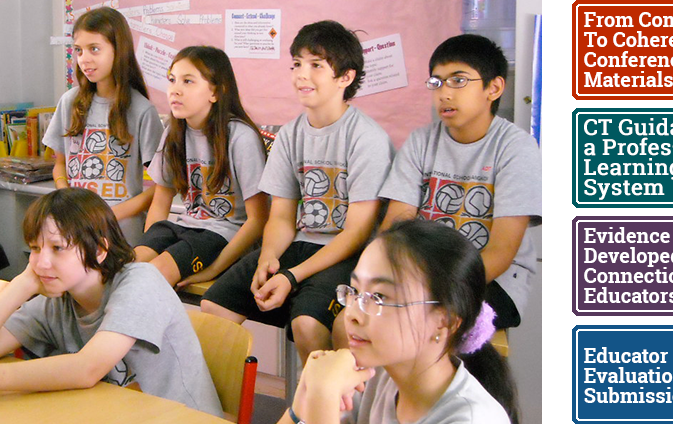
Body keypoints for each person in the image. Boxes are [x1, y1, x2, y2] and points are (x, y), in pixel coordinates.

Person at [0, 188, 222, 416]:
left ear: (99, 250)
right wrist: (22, 283)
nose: (42, 261)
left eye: (58, 248)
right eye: (35, 248)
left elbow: (86, 368)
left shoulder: (140, 282)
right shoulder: (57, 299)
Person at [202, 20, 394, 363]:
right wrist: (268, 259)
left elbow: (358, 232)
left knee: (307, 325)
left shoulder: (368, 139)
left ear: (345, 77)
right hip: (299, 245)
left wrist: (292, 276)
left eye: (316, 65)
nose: (301, 75)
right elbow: (280, 216)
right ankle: (225, 408)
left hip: (348, 254)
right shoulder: (290, 134)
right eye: (297, 64)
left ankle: (316, 409)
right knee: (213, 306)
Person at [378, 34, 542, 329]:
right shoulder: (420, 142)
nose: (444, 93)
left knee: (422, 326)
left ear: (494, 87)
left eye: (458, 80)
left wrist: (429, 291)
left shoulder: (516, 148)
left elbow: (501, 252)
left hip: (493, 279)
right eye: (437, 82)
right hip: (422, 273)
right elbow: (395, 228)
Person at [281, 220, 517, 424]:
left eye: (379, 297)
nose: (352, 312)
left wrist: (322, 397)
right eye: (354, 290)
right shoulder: (377, 377)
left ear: (444, 320)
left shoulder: (474, 419)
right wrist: (303, 402)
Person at [137, 46, 268, 289]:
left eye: (188, 81)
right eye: (172, 80)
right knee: (131, 268)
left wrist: (215, 268)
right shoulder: (173, 133)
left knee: (153, 275)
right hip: (184, 226)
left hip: (223, 235)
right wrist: (150, 242)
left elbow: (258, 219)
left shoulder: (240, 136)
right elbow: (160, 201)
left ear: (216, 92)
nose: (175, 90)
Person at [44, 7, 163, 246]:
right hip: (76, 229)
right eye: (78, 50)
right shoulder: (69, 102)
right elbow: (59, 164)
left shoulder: (141, 110)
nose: (84, 59)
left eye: (94, 49)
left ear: (119, 51)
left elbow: (162, 187)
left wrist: (109, 216)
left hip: (122, 233)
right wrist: (67, 198)